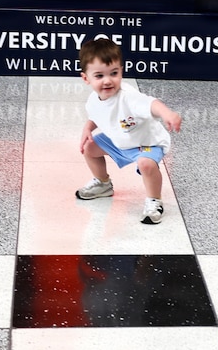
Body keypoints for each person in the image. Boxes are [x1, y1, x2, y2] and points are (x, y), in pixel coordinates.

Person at [76, 38, 182, 225]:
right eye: (99, 76)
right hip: (121, 140)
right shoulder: (93, 100)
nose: (108, 81)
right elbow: (96, 115)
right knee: (89, 148)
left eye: (114, 73)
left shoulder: (128, 97)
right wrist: (87, 128)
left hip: (147, 143)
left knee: (146, 164)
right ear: (86, 78)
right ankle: (103, 183)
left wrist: (167, 113)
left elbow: (151, 103)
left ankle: (154, 201)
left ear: (121, 71)